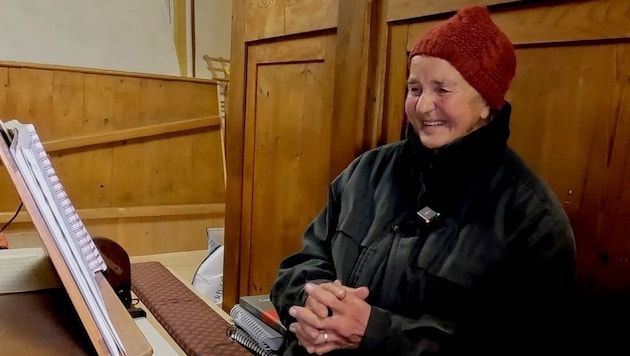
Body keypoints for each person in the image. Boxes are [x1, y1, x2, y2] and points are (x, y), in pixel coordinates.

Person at [270, 5, 576, 355]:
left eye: (442, 90)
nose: (423, 105)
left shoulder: (532, 220)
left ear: (486, 105)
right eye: (414, 89)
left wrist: (375, 332)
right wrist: (311, 304)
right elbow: (301, 263)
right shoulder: (365, 172)